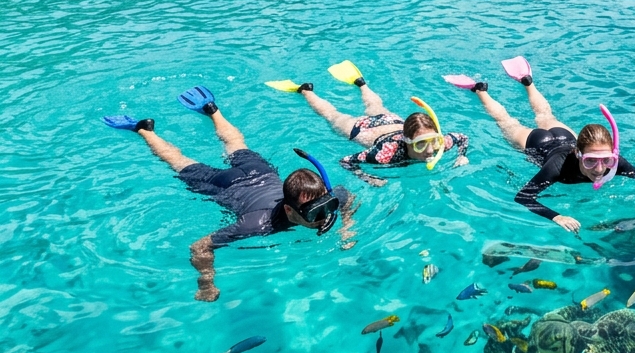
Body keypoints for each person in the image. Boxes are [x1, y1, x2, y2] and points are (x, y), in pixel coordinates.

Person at [103, 85, 351, 302]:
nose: (324, 216)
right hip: (227, 185)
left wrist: (347, 228)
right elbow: (200, 246)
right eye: (313, 213)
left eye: (327, 206)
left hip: (260, 171)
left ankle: (212, 110)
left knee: (236, 144)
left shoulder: (329, 199)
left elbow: (347, 196)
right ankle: (144, 130)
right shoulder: (258, 224)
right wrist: (206, 283)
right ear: (288, 209)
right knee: (179, 162)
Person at [446, 56, 635, 232]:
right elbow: (524, 197)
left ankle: (527, 81)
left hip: (565, 136)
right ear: (578, 154)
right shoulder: (557, 167)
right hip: (538, 143)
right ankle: (479, 89)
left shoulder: (613, 161)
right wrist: (556, 216)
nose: (600, 168)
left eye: (606, 160)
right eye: (591, 161)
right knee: (506, 122)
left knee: (545, 115)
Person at [266, 61, 469, 186]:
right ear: (407, 142)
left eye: (433, 141)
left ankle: (361, 84)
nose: (430, 150)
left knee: (376, 106)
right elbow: (346, 161)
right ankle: (305, 90)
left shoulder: (440, 144)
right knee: (331, 115)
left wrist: (461, 156)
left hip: (392, 122)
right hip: (364, 129)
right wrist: (368, 177)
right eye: (421, 144)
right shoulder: (385, 154)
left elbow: (462, 137)